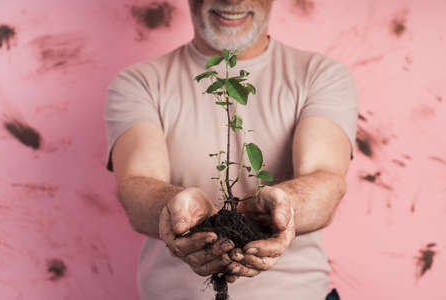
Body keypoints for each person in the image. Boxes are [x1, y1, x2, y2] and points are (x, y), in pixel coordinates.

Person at [104, 0, 357, 299]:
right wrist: (176, 210)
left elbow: (325, 179)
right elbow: (136, 184)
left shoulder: (320, 74)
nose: (233, 0)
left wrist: (282, 208)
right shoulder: (140, 82)